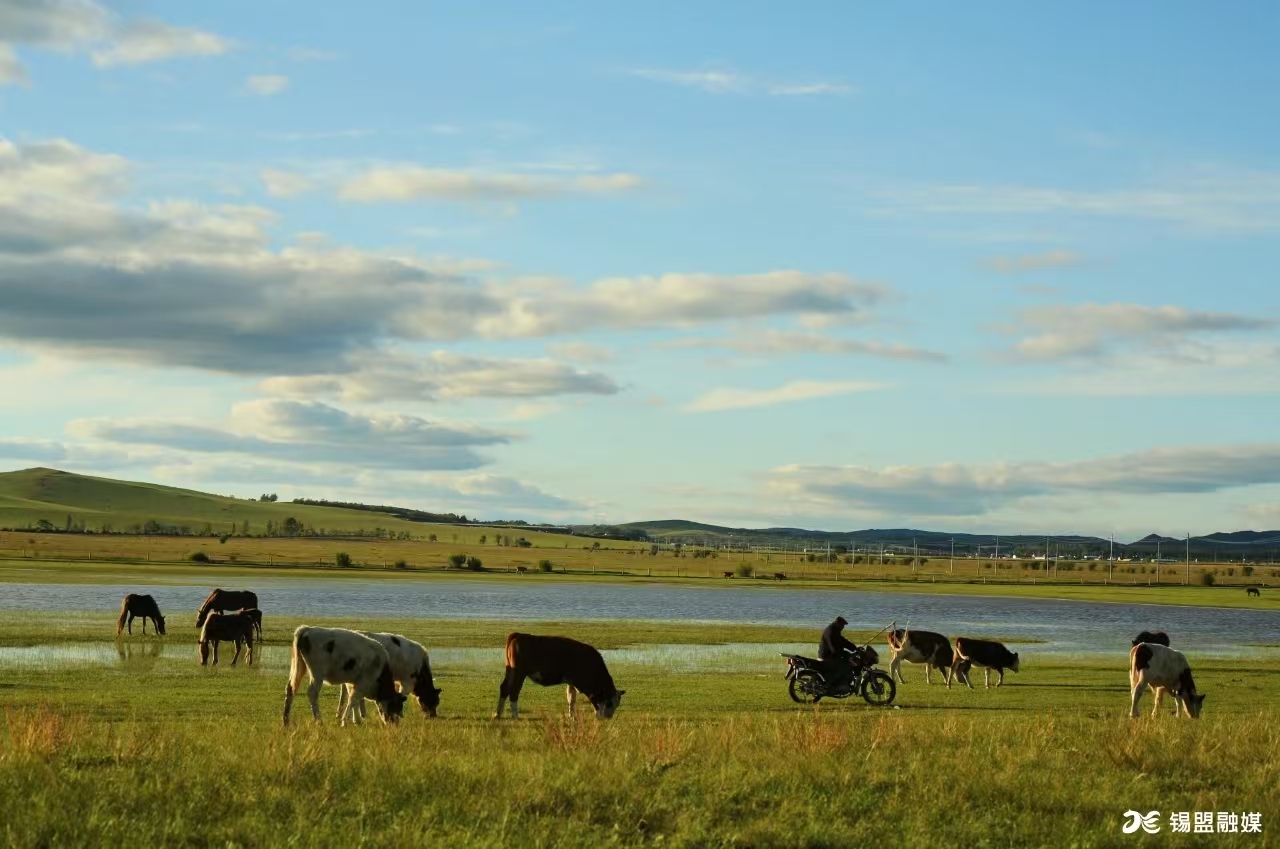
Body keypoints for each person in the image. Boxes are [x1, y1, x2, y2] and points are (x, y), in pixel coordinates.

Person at [818, 616, 858, 693]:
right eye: (842, 625)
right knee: (844, 666)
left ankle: (841, 684)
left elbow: (842, 641)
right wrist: (845, 654)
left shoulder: (834, 631)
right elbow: (833, 649)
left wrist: (853, 647)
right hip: (827, 657)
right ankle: (832, 686)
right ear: (837, 624)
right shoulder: (830, 632)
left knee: (844, 663)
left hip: (830, 656)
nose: (843, 627)